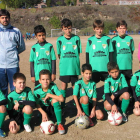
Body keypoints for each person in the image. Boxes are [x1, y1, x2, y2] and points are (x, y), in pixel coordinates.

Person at [56, 18, 82, 110]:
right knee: (63, 86)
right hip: (64, 68)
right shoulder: (59, 40)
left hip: (74, 67)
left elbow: (78, 52)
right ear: (62, 29)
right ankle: (62, 105)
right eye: (65, 29)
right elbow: (59, 54)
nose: (68, 31)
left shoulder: (76, 38)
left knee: (75, 86)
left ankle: (76, 104)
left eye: (69, 28)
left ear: (72, 28)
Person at [0, 9, 25, 97]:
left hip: (13, 65)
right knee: (2, 88)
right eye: (2, 18)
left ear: (9, 18)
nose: (5, 19)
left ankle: (15, 108)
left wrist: (13, 54)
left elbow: (22, 47)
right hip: (0, 66)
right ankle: (4, 108)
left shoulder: (16, 31)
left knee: (15, 88)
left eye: (6, 17)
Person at [34, 69, 65, 135]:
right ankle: (42, 114)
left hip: (51, 107)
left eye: (47, 79)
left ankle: (60, 124)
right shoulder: (36, 90)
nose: (45, 81)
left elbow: (62, 99)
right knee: (43, 121)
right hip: (43, 108)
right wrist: (43, 113)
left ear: (51, 79)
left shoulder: (53, 86)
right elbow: (36, 104)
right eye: (43, 79)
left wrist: (50, 95)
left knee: (55, 100)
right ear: (39, 81)